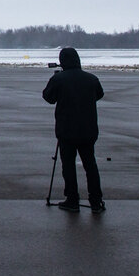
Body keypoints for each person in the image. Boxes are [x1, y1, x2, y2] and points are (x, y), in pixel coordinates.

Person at [42, 47, 105, 213]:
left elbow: (48, 97)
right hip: (88, 129)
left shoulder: (60, 79)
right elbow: (99, 94)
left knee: (68, 165)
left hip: (67, 129)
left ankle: (72, 199)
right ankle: (96, 201)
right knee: (90, 165)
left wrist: (56, 81)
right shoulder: (91, 79)